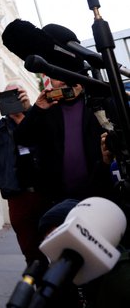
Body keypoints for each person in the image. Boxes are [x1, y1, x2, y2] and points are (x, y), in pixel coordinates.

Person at [14, 24, 114, 206]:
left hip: (99, 194)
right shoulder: (47, 108)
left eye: (64, 74)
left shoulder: (97, 102)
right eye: (55, 75)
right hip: (59, 198)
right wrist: (37, 109)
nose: (60, 81)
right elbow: (22, 138)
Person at [0, 84, 49, 267]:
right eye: (8, 96)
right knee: (30, 251)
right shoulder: (0, 126)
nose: (12, 100)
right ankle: (39, 290)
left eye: (16, 94)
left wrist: (29, 110)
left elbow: (49, 136)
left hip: (46, 193)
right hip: (18, 196)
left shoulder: (38, 117)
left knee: (55, 245)